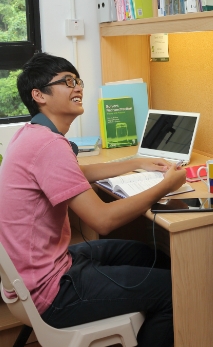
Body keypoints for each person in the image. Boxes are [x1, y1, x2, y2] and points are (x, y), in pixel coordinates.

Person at [0, 52, 186, 347]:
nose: (78, 88)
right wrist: (166, 186)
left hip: (33, 278)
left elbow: (78, 171)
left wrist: (136, 161)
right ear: (39, 95)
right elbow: (104, 219)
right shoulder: (48, 144)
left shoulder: (31, 134)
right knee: (175, 290)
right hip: (52, 291)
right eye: (67, 82)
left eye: (78, 80)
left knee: (148, 255)